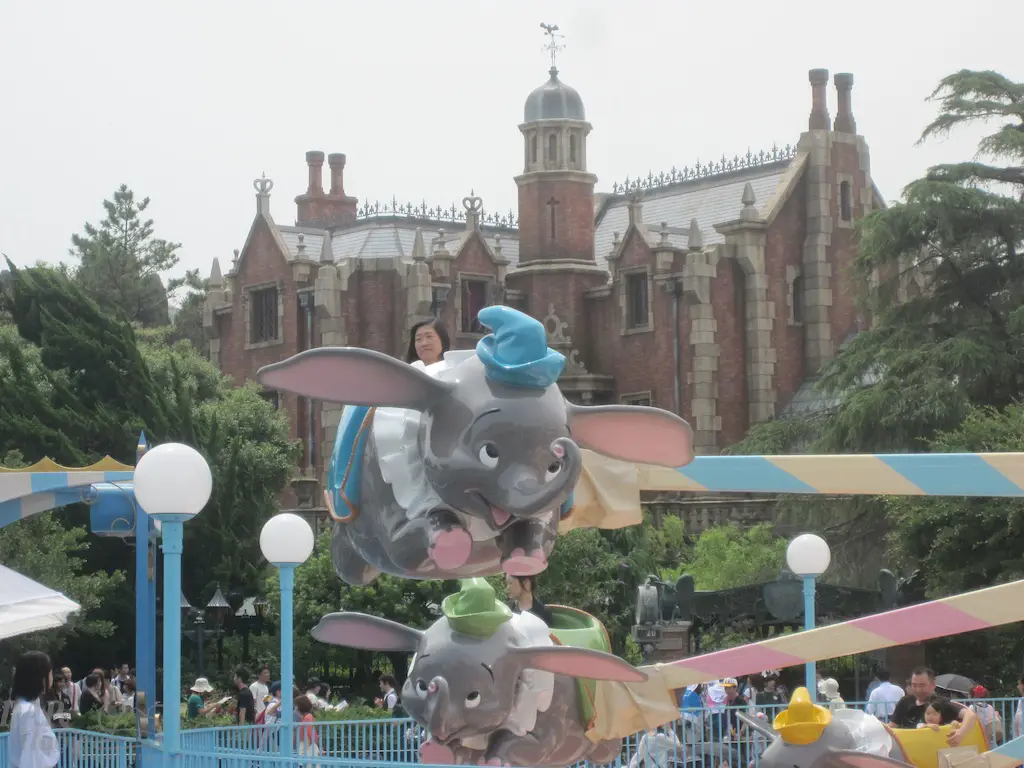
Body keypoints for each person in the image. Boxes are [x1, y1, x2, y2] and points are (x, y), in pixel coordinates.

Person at [890, 667, 977, 744]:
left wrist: (961, 733)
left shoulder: (941, 703)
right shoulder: (904, 702)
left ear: (933, 685)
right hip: (908, 749)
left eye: (922, 685)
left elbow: (970, 715)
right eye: (914, 685)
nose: (918, 690)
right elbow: (891, 728)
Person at [9, 650, 60, 768]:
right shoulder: (28, 712)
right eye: (50, 672)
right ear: (41, 677)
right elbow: (30, 757)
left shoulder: (26, 706)